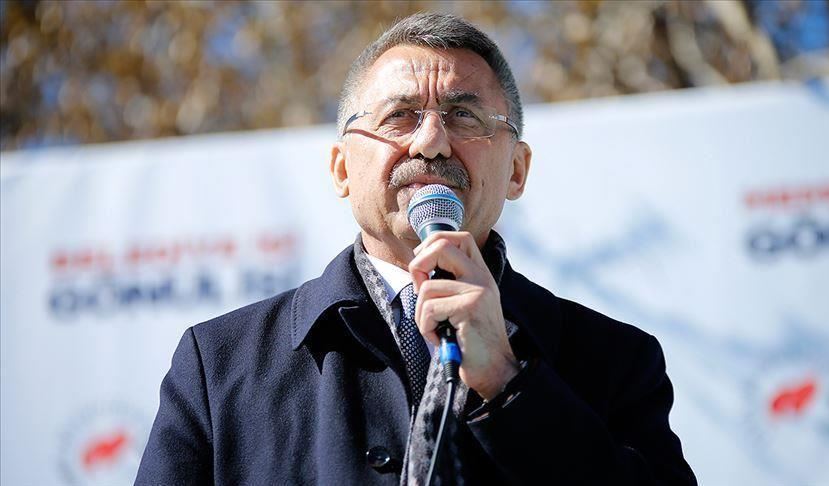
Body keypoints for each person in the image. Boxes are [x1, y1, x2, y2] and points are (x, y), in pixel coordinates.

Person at [136, 13, 696, 485]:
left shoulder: (616, 360)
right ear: (341, 169)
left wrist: (508, 382)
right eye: (399, 116)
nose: (431, 142)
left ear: (517, 171)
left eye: (464, 116)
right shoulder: (219, 366)